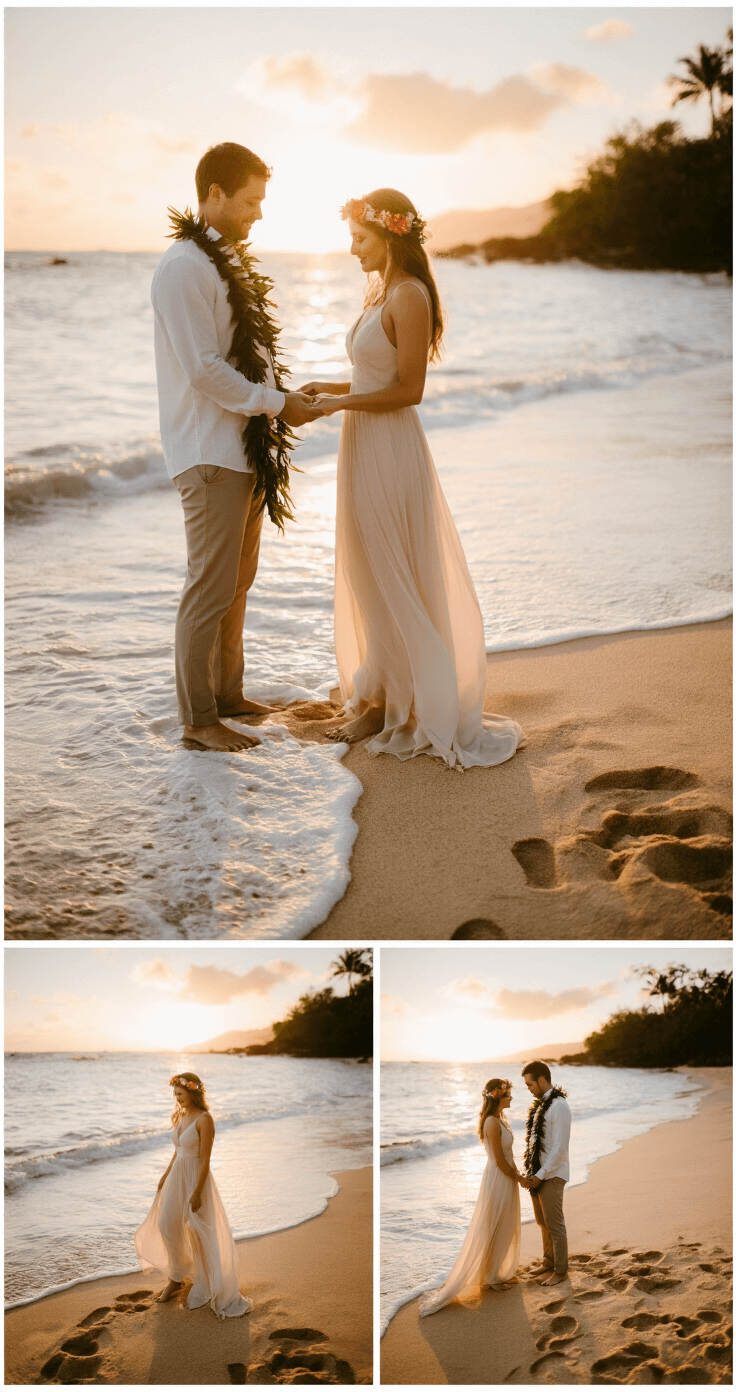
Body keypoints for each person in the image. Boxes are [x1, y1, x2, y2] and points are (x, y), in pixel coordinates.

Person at [299, 189, 523, 769]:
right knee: (369, 570)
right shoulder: (379, 293)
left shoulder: (410, 295)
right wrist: (326, 389)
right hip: (362, 441)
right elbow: (370, 374)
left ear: (391, 236)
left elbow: (409, 391)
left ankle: (405, 701)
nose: (352, 250)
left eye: (360, 239)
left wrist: (333, 406)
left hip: (391, 447)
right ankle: (377, 696)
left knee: (392, 568)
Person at [151, 142, 322, 754]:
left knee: (237, 582)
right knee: (209, 586)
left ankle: (229, 696)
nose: (257, 214)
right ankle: (198, 720)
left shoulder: (226, 263)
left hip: (242, 448)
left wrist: (282, 394)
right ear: (213, 194)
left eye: (261, 201)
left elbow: (248, 356)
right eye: (249, 201)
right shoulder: (183, 267)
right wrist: (275, 403)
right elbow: (202, 369)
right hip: (207, 450)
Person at [134, 1072, 251, 1317]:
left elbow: (206, 1159)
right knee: (167, 1225)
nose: (177, 1099)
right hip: (177, 1176)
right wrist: (165, 1176)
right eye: (175, 1094)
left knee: (199, 1233)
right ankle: (177, 1277)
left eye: (181, 1094)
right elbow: (177, 1152)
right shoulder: (181, 1114)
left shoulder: (205, 1119)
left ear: (193, 1092)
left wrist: (197, 1192)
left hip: (196, 1178)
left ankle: (203, 1280)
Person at [419, 1078, 527, 1316]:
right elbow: (499, 1161)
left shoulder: (500, 1119)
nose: (511, 1097)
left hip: (508, 1176)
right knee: (494, 1224)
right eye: (508, 1093)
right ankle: (488, 1277)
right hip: (499, 1178)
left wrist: (518, 1175)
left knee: (505, 1223)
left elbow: (508, 1156)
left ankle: (494, 1273)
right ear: (497, 1095)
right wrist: (519, 1179)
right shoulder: (491, 1122)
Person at [522, 1060, 572, 1287]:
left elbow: (560, 1149)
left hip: (551, 1175)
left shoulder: (559, 1106)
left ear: (542, 1080)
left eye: (530, 1084)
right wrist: (532, 1173)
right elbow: (536, 1143)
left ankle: (561, 1271)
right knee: (542, 1221)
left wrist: (540, 1175)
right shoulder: (542, 1105)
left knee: (555, 1224)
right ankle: (548, 1261)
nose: (529, 1089)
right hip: (538, 1174)